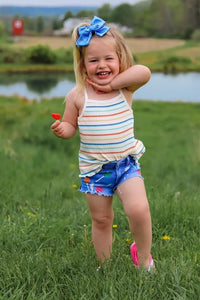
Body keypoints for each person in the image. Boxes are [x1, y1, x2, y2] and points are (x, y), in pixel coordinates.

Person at [51, 16, 154, 271]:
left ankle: (143, 258)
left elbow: (145, 72)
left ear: (119, 60)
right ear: (83, 65)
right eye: (93, 60)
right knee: (101, 219)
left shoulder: (125, 89)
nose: (102, 65)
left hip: (126, 164)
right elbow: (70, 126)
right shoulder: (77, 95)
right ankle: (104, 265)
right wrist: (62, 129)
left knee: (139, 209)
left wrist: (112, 84)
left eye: (109, 59)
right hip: (95, 172)